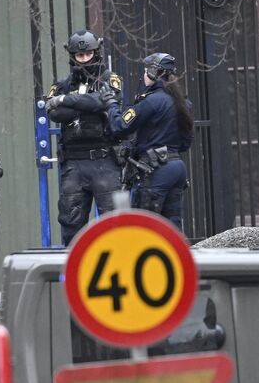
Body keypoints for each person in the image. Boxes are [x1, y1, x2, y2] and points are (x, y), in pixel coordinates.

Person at [45, 30, 126, 245]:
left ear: (96, 53)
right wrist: (88, 104)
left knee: (114, 226)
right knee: (71, 225)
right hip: (74, 163)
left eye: (88, 54)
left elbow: (107, 102)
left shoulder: (111, 79)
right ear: (72, 55)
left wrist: (67, 100)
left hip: (105, 161)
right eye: (79, 55)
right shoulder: (61, 84)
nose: (83, 59)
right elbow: (55, 113)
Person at [103, 52, 192, 229]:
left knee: (144, 227)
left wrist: (111, 104)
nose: (143, 75)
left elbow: (120, 126)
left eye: (145, 71)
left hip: (156, 171)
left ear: (153, 73)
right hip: (177, 168)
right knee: (172, 228)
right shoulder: (183, 102)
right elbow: (185, 142)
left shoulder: (152, 101)